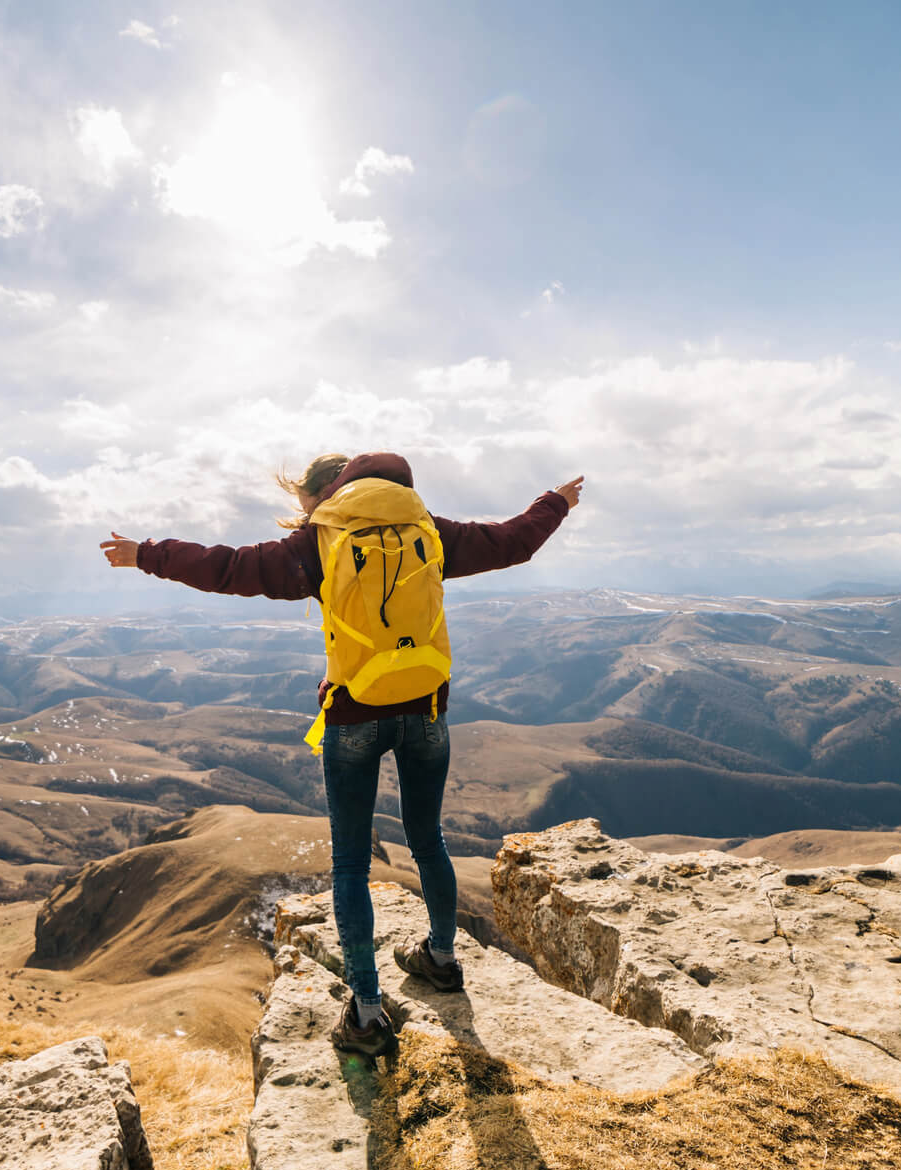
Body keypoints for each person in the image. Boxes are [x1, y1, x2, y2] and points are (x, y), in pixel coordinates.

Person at [100, 452, 583, 1056]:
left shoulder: (317, 543)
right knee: (427, 839)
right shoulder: (427, 529)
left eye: (306, 502)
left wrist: (146, 554)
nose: (305, 513)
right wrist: (555, 501)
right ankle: (440, 958)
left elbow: (226, 569)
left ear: (327, 491)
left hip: (354, 714)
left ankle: (366, 1013)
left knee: (351, 865)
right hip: (426, 704)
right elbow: (514, 541)